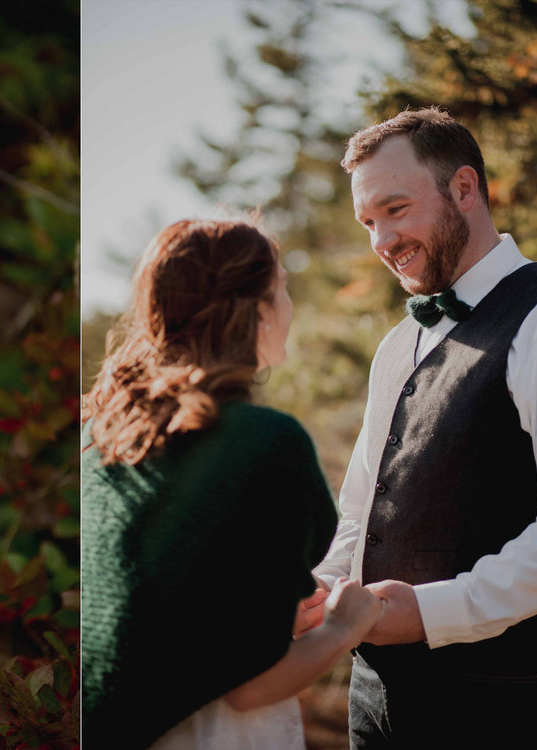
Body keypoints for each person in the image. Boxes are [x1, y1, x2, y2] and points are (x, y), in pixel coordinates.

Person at [309, 107, 537, 747]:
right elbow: (359, 514)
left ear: (464, 188)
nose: (382, 241)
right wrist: (322, 587)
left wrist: (431, 615)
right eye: (368, 222)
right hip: (374, 701)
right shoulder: (395, 346)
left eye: (396, 210)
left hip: (506, 706)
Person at [82, 218, 383, 749]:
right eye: (282, 288)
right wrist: (344, 628)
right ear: (257, 309)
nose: (289, 305)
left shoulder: (104, 432)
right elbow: (251, 687)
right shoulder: (264, 442)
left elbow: (168, 606)